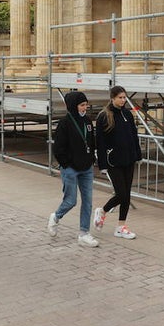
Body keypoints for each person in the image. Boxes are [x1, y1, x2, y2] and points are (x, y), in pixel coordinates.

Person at [46, 91, 99, 247]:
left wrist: (92, 159)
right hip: (70, 169)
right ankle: (56, 216)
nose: (85, 108)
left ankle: (84, 233)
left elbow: (91, 142)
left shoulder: (88, 122)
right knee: (71, 201)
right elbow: (58, 148)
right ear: (73, 106)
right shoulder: (65, 123)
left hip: (86, 168)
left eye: (86, 105)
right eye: (82, 105)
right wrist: (67, 164)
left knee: (88, 201)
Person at [93, 85, 143, 239]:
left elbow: (134, 135)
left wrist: (138, 155)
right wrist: (102, 164)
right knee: (121, 194)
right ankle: (102, 211)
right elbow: (100, 142)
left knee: (127, 194)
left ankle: (121, 226)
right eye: (120, 98)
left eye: (124, 97)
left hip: (129, 159)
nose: (123, 100)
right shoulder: (104, 116)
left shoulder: (127, 114)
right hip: (114, 161)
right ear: (112, 98)